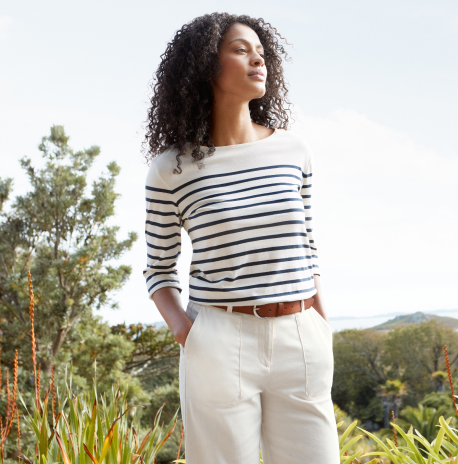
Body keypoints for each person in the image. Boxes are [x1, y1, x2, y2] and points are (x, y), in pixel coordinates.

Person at [141, 12, 337, 464]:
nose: (257, 61)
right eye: (240, 50)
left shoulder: (293, 151)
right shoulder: (171, 168)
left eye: (262, 53)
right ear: (206, 65)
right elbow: (158, 268)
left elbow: (307, 246)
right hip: (219, 339)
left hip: (300, 334)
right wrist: (190, 335)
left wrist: (321, 326)